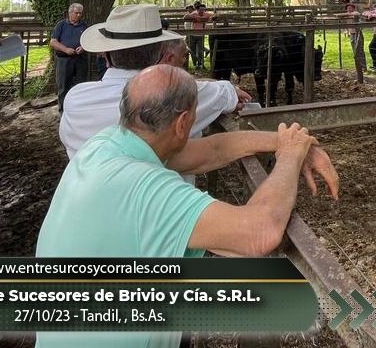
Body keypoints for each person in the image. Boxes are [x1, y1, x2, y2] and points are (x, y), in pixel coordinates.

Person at [36, 64, 339, 348]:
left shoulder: (104, 144)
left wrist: (285, 141)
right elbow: (260, 232)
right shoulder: (149, 190)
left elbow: (212, 150)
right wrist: (290, 157)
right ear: (183, 124)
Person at [59, 4, 251, 168]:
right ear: (160, 54)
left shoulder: (76, 99)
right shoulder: (176, 94)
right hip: (166, 199)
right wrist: (231, 91)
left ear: (106, 55)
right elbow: (224, 94)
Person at [49, 3, 88, 113]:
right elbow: (53, 42)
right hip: (64, 60)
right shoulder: (61, 25)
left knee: (81, 85)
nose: (79, 15)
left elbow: (88, 41)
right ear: (70, 12)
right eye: (76, 13)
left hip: (80, 60)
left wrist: (83, 47)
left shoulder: (84, 26)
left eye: (80, 13)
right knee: (63, 86)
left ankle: (79, 111)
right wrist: (66, 49)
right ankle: (63, 111)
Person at [184, 2, 214, 70]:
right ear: (197, 9)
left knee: (200, 51)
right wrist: (196, 17)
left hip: (201, 35)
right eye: (201, 9)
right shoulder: (194, 13)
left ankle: (200, 64)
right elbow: (185, 17)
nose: (202, 11)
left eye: (203, 9)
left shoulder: (206, 14)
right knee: (192, 50)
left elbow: (215, 15)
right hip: (192, 34)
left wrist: (211, 18)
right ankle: (195, 64)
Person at [339, 3, 367, 71]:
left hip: (358, 34)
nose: (348, 9)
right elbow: (345, 22)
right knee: (355, 51)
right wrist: (347, 31)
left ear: (353, 8)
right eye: (347, 8)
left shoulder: (355, 13)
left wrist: (345, 15)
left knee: (360, 50)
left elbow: (356, 14)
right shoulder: (347, 15)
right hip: (352, 34)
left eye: (350, 8)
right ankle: (358, 67)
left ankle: (363, 67)